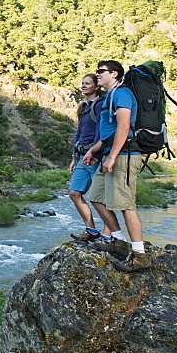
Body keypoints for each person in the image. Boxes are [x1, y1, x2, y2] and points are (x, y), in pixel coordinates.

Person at [82, 60, 149, 271]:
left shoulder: (122, 94)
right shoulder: (110, 96)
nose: (97, 75)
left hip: (124, 155)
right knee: (96, 196)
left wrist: (112, 156)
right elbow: (110, 131)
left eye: (101, 71)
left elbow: (123, 126)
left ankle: (139, 255)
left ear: (114, 74)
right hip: (109, 152)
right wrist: (95, 149)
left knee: (126, 204)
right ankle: (119, 242)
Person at [68, 73, 105, 243]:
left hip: (95, 156)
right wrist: (74, 158)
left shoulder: (101, 105)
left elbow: (101, 131)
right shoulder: (83, 106)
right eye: (82, 83)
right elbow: (79, 133)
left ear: (97, 87)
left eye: (87, 83)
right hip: (82, 156)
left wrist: (95, 154)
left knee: (100, 198)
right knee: (74, 193)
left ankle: (109, 234)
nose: (83, 86)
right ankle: (91, 230)